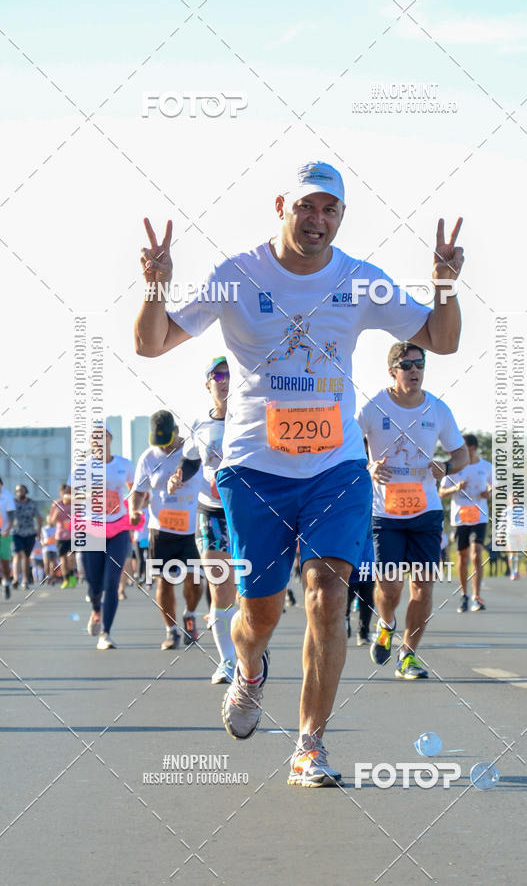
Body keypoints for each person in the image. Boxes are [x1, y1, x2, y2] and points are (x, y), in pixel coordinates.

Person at [135, 159, 463, 786]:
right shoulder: (236, 276)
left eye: (331, 209)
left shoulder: (360, 280)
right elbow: (152, 344)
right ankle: (250, 668)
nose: (318, 220)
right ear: (282, 205)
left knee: (327, 595)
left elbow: (440, 340)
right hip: (255, 470)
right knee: (258, 615)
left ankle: (310, 743)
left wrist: (444, 285)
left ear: (341, 216)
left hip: (336, 469)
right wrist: (156, 285)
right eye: (307, 206)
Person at [358, 342, 467, 679]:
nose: (415, 371)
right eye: (407, 365)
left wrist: (446, 467)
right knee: (390, 588)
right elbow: (346, 445)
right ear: (393, 370)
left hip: (426, 512)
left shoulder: (437, 409)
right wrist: (369, 466)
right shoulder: (374, 407)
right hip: (386, 514)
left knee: (423, 587)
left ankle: (408, 655)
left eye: (420, 364)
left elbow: (461, 455)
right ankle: (386, 623)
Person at [130, 410, 204, 650]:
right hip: (160, 529)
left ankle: (190, 615)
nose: (162, 447)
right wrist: (135, 510)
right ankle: (171, 630)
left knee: (194, 580)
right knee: (164, 582)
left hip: (191, 529)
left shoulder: (191, 452)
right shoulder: (148, 458)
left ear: (176, 432)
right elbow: (140, 491)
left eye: (166, 441)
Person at [190, 357, 238, 684]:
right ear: (208, 383)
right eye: (218, 375)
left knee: (247, 591)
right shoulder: (197, 426)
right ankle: (227, 662)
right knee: (220, 586)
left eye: (230, 374)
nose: (225, 380)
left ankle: (249, 645)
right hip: (211, 513)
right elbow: (189, 463)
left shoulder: (252, 419)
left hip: (246, 512)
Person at [67, 423, 134, 649]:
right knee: (94, 583)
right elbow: (68, 499)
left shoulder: (124, 464)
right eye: (93, 436)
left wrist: (134, 508)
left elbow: (135, 490)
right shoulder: (82, 468)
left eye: (102, 435)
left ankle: (105, 633)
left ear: (110, 438)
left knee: (112, 582)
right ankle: (96, 609)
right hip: (92, 528)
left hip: (118, 526)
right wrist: (90, 494)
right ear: (89, 442)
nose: (98, 439)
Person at [439, 433, 493, 612]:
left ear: (473, 448)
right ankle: (464, 594)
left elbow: (494, 488)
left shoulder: (486, 467)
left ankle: (477, 596)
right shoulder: (454, 466)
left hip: (479, 516)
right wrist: (456, 488)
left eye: (465, 448)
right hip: (460, 517)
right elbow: (442, 492)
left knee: (476, 553)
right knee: (462, 556)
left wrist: (488, 494)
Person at [12, 484, 42, 589]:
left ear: (26, 491)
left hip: (30, 533)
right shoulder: (13, 503)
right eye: (17, 491)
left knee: (26, 556)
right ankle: (16, 579)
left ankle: (25, 579)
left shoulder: (32, 503)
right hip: (16, 533)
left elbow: (39, 518)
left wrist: (38, 532)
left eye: (21, 490)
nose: (19, 492)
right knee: (18, 554)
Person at [49, 484, 77, 589]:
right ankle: (65, 579)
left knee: (71, 557)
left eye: (67, 493)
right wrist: (56, 514)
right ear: (60, 493)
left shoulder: (74, 503)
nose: (65, 495)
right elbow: (51, 522)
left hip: (72, 535)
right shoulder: (56, 504)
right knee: (63, 559)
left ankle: (72, 575)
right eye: (63, 492)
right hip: (60, 536)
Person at [0, 477, 16, 598]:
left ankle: (6, 583)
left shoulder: (7, 496)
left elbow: (11, 517)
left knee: (5, 561)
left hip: (4, 533)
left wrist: (8, 529)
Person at [41, 517, 58, 585]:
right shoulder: (44, 528)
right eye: (49, 519)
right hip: (46, 548)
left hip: (54, 548)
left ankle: (52, 578)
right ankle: (47, 576)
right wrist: (42, 543)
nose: (50, 520)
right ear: (47, 520)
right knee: (46, 563)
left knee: (53, 564)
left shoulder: (56, 528)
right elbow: (41, 538)